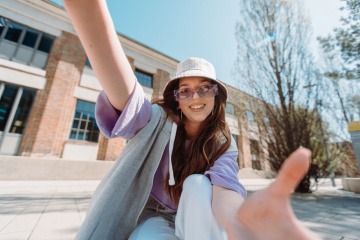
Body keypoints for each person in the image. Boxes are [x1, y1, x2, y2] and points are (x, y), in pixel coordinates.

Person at [63, 0, 321, 239]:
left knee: (198, 184)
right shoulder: (154, 122)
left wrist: (238, 224)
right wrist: (87, 9)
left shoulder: (222, 142)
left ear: (216, 94)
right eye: (185, 90)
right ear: (176, 98)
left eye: (205, 87)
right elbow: (123, 90)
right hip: (153, 215)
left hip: (196, 216)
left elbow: (224, 191)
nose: (195, 96)